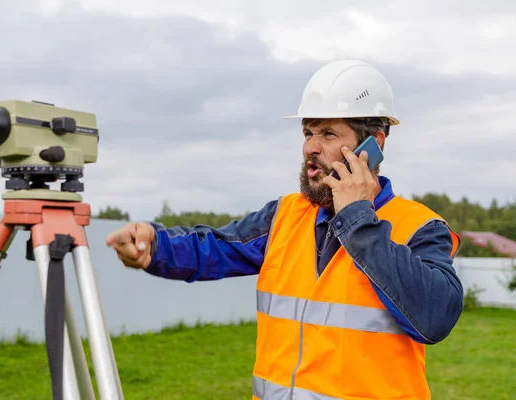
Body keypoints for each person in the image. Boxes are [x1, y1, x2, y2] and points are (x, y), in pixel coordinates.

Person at [105, 59, 463, 400]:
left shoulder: (420, 227)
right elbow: (214, 247)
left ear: (375, 145)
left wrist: (357, 217)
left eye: (327, 133)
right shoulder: (285, 215)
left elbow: (433, 317)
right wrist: (156, 248)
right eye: (308, 131)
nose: (310, 147)